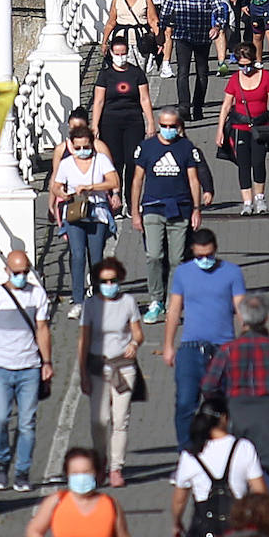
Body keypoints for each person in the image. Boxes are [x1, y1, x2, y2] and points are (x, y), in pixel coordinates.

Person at [0, 251, 53, 494]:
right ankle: (1, 462)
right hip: (0, 368)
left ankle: (22, 471)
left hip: (29, 368)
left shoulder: (37, 294)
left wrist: (47, 362)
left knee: (27, 423)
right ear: (7, 270)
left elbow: (42, 329)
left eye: (25, 272)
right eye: (16, 272)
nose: (21, 277)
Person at [201, 295, 269, 496]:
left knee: (237, 473)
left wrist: (222, 403)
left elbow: (209, 386)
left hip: (238, 418)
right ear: (266, 319)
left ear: (240, 318)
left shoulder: (227, 351)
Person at [164, 228, 247, 450]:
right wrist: (168, 346)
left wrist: (247, 340)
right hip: (191, 348)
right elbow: (174, 310)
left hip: (224, 349)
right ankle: (187, 453)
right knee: (184, 404)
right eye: (200, 256)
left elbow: (241, 309)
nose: (205, 260)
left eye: (209, 255)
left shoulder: (232, 272)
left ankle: (224, 452)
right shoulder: (182, 273)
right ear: (192, 251)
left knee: (225, 404)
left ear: (216, 250)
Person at [170, 396, 269, 537]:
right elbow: (261, 492)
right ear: (224, 419)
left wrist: (176, 522)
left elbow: (179, 499)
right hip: (238, 527)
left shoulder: (190, 455)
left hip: (203, 530)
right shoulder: (244, 447)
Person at [130, 109, 205, 325]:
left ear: (178, 126)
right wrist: (135, 212)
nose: (168, 130)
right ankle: (156, 300)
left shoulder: (186, 148)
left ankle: (175, 302)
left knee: (177, 259)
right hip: (153, 208)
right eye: (165, 125)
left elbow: (193, 180)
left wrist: (196, 208)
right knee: (154, 255)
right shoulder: (147, 147)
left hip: (180, 209)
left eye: (173, 126)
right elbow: (137, 180)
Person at [77, 258, 143, 488]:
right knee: (99, 420)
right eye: (104, 281)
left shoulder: (128, 302)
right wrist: (82, 372)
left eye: (113, 280)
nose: (109, 284)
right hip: (97, 368)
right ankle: (100, 460)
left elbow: (138, 333)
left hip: (123, 368)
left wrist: (134, 344)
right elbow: (83, 341)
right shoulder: (91, 306)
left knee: (120, 420)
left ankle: (116, 467)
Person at [50, 125, 118, 321]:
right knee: (77, 255)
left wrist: (92, 187)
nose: (82, 152)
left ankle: (97, 299)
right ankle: (78, 300)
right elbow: (56, 185)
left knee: (95, 257)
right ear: (72, 146)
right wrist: (62, 193)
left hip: (96, 213)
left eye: (86, 147)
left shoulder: (101, 160)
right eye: (78, 147)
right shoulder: (67, 164)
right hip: (75, 213)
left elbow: (114, 181)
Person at [216, 43, 269, 214]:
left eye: (248, 65)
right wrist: (219, 130)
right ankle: (247, 202)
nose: (245, 69)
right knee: (243, 164)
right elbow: (226, 106)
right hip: (239, 126)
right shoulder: (234, 80)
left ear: (254, 61)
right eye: (241, 65)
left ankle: (260, 198)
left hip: (260, 127)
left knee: (258, 162)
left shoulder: (265, 78)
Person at [161, 0, 225, 124]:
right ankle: (184, 107)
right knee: (183, 72)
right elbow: (166, 8)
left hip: (202, 35)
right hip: (183, 35)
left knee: (202, 73)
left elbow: (219, 8)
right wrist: (162, 29)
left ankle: (198, 106)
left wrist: (217, 25)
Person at [91, 36, 154, 215]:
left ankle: (131, 202)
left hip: (133, 122)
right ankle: (114, 202)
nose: (120, 57)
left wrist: (151, 123)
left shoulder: (136, 73)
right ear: (111, 53)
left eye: (123, 53)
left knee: (132, 162)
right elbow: (99, 101)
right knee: (114, 162)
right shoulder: (105, 75)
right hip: (110, 123)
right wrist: (94, 125)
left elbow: (144, 99)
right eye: (117, 53)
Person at [102, 0, 161, 71]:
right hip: (122, 40)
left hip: (141, 40)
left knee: (140, 72)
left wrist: (159, 41)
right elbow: (111, 22)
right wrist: (104, 42)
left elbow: (153, 20)